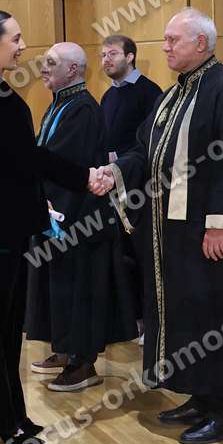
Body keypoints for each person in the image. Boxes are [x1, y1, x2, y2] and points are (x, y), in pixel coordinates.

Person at [90, 8, 223, 444]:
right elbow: (144, 150)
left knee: (218, 316)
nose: (165, 47)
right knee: (191, 315)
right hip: (176, 236)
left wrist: (221, 225)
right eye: (166, 39)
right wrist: (114, 173)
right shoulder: (174, 95)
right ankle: (200, 396)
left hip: (211, 235)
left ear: (201, 43)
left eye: (173, 40)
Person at [0, 10, 98, 444]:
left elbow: (7, 166)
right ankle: (2, 418)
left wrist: (37, 200)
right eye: (16, 38)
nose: (23, 46)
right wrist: (85, 176)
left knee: (6, 328)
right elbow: (28, 159)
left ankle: (12, 414)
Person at [25, 42, 138, 391]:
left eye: (51, 62)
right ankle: (64, 349)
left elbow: (64, 165)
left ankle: (83, 364)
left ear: (72, 70)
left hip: (79, 220)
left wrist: (45, 203)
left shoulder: (83, 109)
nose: (43, 68)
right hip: (60, 214)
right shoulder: (61, 103)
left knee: (79, 292)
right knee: (57, 289)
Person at [99, 34, 162, 346]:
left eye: (112, 54)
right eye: (103, 55)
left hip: (140, 191)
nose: (106, 60)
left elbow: (151, 143)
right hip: (114, 188)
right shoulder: (107, 97)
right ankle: (131, 319)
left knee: (143, 257)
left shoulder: (149, 92)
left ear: (130, 56)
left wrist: (121, 162)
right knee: (122, 257)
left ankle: (152, 322)